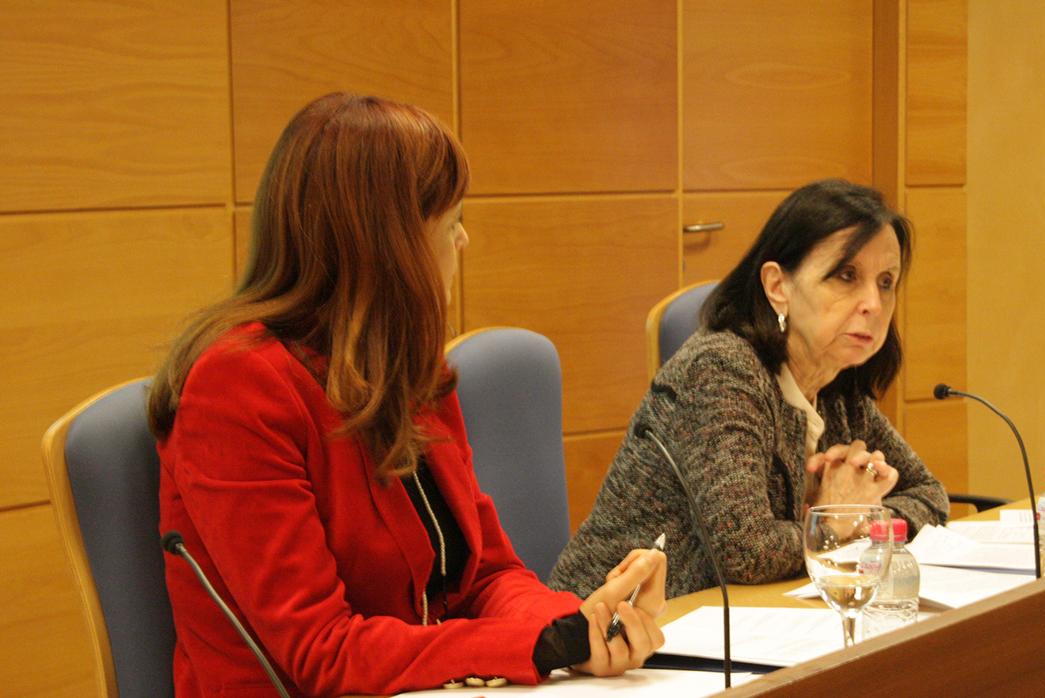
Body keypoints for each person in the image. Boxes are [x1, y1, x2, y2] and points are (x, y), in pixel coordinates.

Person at [148, 93, 665, 697]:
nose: (464, 242)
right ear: (385, 246)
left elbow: (487, 575)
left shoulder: (408, 366)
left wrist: (577, 626)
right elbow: (320, 652)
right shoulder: (237, 388)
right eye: (450, 224)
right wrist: (537, 646)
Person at [549, 179, 949, 599]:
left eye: (886, 282)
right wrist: (835, 522)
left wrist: (857, 517)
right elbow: (745, 551)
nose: (873, 302)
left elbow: (929, 496)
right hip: (612, 630)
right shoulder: (722, 371)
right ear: (778, 287)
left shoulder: (837, 386)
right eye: (846, 276)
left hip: (732, 626)